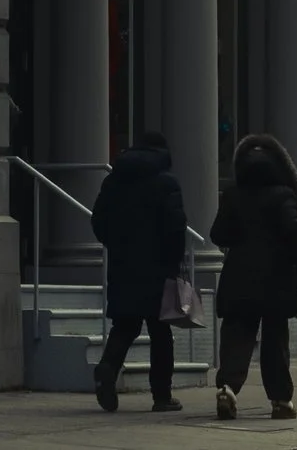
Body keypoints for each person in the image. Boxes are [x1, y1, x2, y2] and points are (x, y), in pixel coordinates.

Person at [89, 126, 189, 411]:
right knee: (161, 333)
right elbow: (176, 227)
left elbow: (98, 221)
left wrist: (116, 244)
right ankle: (162, 396)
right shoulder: (166, 183)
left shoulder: (114, 181)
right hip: (158, 267)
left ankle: (107, 368)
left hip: (123, 264)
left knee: (125, 325)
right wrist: (174, 261)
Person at [208, 132, 297, 421]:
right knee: (275, 341)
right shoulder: (284, 195)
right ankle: (280, 400)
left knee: (236, 337)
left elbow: (218, 234)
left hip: (239, 276)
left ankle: (227, 388)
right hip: (275, 279)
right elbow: (292, 235)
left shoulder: (233, 195)